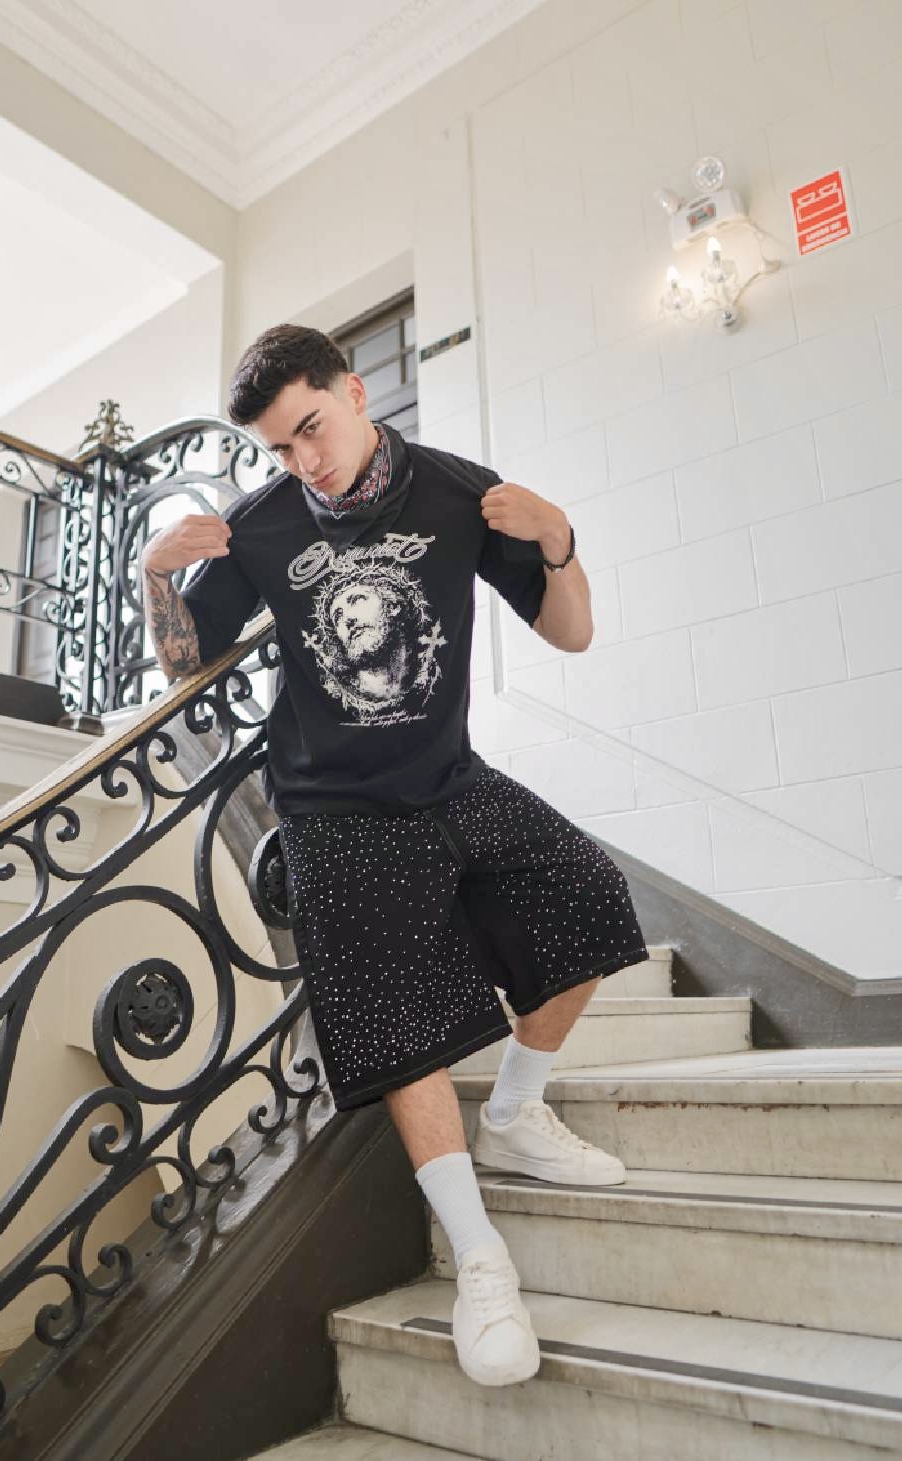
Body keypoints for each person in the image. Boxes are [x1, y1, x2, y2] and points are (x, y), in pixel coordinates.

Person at [140, 324, 651, 1389]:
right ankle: (480, 1258)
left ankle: (514, 1112)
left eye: (311, 428)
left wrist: (559, 539)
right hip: (331, 808)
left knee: (589, 894)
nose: (305, 461)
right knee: (401, 1017)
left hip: (448, 778)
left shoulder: (460, 493)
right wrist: (154, 577)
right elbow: (186, 668)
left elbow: (570, 634)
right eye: (281, 448)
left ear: (355, 392)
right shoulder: (261, 526)